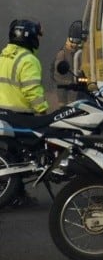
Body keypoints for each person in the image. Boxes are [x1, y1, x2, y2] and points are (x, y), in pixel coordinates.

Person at [0, 19, 48, 208]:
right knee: (23, 157)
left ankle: (15, 194)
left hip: (3, 114)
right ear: (29, 37)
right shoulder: (28, 60)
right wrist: (43, 112)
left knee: (12, 155)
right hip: (20, 116)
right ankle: (17, 195)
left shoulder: (3, 56)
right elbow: (32, 91)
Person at [51, 37, 80, 105]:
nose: (74, 46)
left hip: (73, 84)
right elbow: (58, 72)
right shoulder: (62, 54)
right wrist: (67, 82)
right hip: (62, 85)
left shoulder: (77, 53)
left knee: (73, 104)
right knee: (63, 105)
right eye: (73, 44)